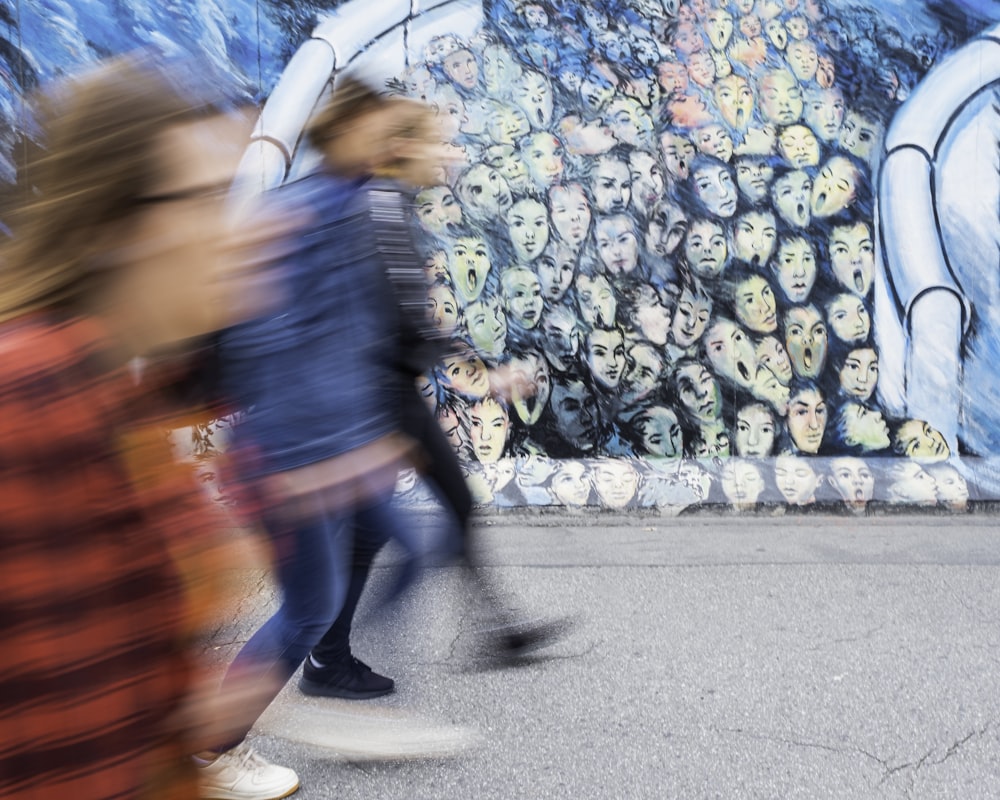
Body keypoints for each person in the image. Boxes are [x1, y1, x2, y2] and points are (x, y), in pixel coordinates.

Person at [0, 58, 281, 800]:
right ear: (109, 230)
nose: (242, 232)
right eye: (208, 200)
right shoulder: (23, 401)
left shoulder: (128, 391)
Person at [295, 81, 569, 703]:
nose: (451, 155)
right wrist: (487, 378)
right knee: (386, 525)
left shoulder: (386, 202)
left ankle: (488, 631)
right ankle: (327, 653)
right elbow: (405, 318)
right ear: (402, 148)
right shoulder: (383, 206)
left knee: (403, 519)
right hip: (380, 394)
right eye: (439, 144)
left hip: (383, 390)